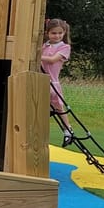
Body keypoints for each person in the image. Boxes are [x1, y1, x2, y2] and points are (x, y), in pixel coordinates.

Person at [41, 18, 75, 147]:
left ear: (64, 33)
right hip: (41, 81)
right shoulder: (44, 46)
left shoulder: (64, 47)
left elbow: (52, 60)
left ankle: (68, 130)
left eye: (60, 33)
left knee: (60, 108)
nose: (57, 36)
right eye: (54, 33)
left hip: (52, 83)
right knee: (43, 107)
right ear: (47, 33)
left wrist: (36, 56)